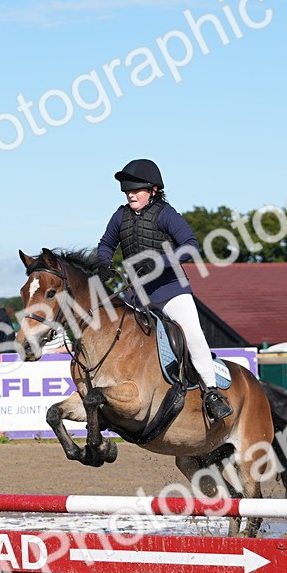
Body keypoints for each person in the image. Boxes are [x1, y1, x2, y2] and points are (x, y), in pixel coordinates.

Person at [96, 158, 233, 420]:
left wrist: (159, 263)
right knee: (117, 338)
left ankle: (211, 393)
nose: (130, 194)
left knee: (193, 335)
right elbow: (105, 244)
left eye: (136, 190)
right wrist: (103, 262)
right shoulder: (120, 216)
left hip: (170, 290)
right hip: (137, 294)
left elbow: (190, 245)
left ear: (153, 190)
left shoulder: (166, 214)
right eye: (127, 190)